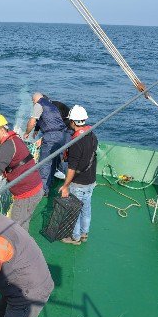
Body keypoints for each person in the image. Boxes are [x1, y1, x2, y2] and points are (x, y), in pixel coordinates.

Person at [58, 104, 98, 245]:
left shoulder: (75, 142)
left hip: (79, 183)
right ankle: (84, 233)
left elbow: (72, 168)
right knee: (86, 208)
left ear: (73, 122)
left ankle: (75, 237)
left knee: (74, 210)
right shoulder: (92, 135)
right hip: (91, 181)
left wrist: (65, 186)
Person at [24, 92, 69, 195]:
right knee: (55, 160)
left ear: (34, 100)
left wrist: (27, 133)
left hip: (51, 136)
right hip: (63, 135)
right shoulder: (51, 105)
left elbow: (32, 121)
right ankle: (66, 182)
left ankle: (43, 190)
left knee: (44, 163)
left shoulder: (38, 104)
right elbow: (48, 120)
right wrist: (36, 130)